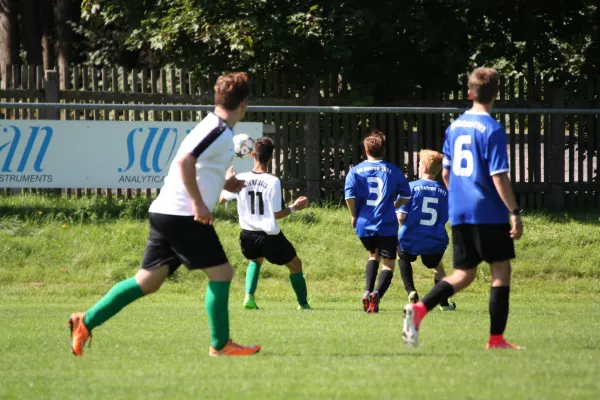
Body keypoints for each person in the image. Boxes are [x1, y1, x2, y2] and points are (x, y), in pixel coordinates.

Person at [68, 72, 261, 357]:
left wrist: (225, 183)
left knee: (147, 281)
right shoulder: (219, 131)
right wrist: (198, 204)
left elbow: (199, 167)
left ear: (217, 97)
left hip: (166, 212)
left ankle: (85, 322)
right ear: (244, 103)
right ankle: (220, 345)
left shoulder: (215, 128)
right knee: (222, 273)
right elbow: (184, 161)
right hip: (184, 214)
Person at [402, 67, 523, 350]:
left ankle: (418, 309)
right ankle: (496, 339)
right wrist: (514, 212)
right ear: (496, 94)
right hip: (488, 213)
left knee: (464, 273)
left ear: (469, 93)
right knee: (500, 271)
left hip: (460, 212)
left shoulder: (454, 127)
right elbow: (498, 176)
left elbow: (446, 175)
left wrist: (459, 196)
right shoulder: (492, 129)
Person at [219, 137, 311, 310]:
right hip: (269, 237)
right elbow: (276, 214)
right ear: (271, 157)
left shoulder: (240, 178)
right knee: (295, 265)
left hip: (247, 236)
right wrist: (294, 207)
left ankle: (249, 297)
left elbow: (222, 199)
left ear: (252, 155)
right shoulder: (272, 181)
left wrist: (227, 179)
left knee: (255, 259)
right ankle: (303, 304)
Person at [344, 129, 411, 313]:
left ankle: (367, 292)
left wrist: (353, 215)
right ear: (383, 151)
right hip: (387, 224)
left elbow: (349, 197)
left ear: (366, 151)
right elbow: (406, 195)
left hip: (365, 223)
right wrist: (395, 205)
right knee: (388, 263)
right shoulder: (393, 170)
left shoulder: (355, 171)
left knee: (373, 255)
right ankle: (377, 294)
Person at [396, 149, 455, 311]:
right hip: (435, 240)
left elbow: (401, 217)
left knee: (402, 257)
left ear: (423, 168)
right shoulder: (445, 192)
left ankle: (411, 290)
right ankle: (443, 302)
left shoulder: (410, 188)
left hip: (411, 238)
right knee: (438, 267)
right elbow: (446, 217)